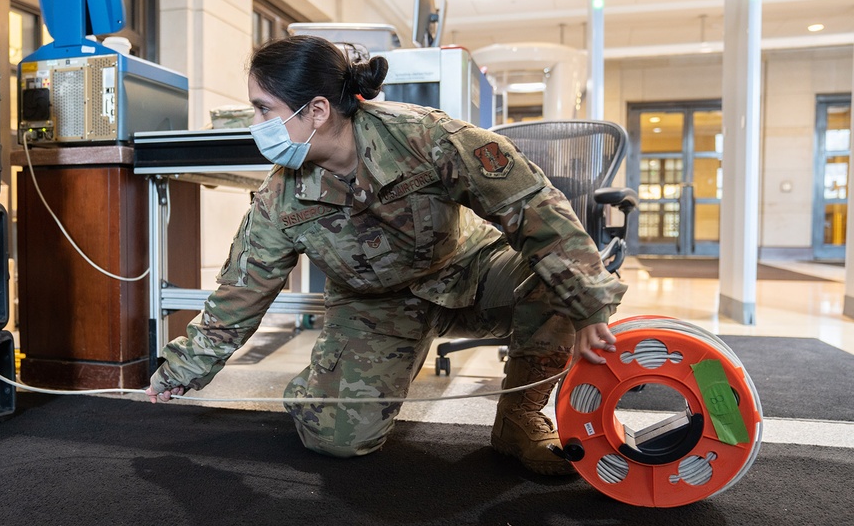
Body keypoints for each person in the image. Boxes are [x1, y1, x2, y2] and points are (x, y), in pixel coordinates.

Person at [147, 35, 626, 476]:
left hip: (470, 271)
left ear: (316, 110)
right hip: (375, 305)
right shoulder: (280, 198)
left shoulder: (424, 137)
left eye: (262, 109)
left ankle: (518, 421)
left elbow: (533, 208)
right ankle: (326, 381)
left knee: (557, 279)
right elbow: (241, 291)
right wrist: (182, 369)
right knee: (336, 439)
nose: (255, 126)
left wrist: (587, 307)